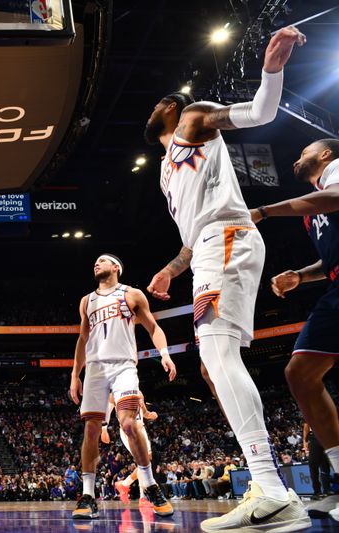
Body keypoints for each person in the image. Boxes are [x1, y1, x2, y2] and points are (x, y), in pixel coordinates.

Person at [143, 25, 310, 532]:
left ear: (174, 108)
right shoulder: (166, 173)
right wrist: (171, 269)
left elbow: (260, 112)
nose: (159, 102)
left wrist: (272, 69)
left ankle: (273, 489)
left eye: (164, 99)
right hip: (211, 250)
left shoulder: (194, 119)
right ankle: (269, 487)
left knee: (217, 355)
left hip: (229, 242)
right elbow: (192, 237)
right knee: (215, 362)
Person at [250, 138, 339, 522]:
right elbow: (330, 256)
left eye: (303, 153)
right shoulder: (316, 200)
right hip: (335, 287)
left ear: (325, 155)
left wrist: (265, 211)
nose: (295, 160)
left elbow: (333, 199)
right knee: (300, 373)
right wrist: (301, 276)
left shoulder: (335, 175)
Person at [70, 254, 176, 519]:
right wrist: (75, 374)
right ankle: (88, 495)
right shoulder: (87, 301)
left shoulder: (131, 294)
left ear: (116, 267)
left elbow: (153, 327)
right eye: (94, 261)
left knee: (129, 424)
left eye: (102, 261)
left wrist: (164, 353)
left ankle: (150, 485)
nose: (96, 263)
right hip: (95, 368)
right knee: (92, 429)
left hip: (124, 365)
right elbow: (83, 339)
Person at [102, 391, 158, 499]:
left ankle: (124, 484)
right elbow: (106, 413)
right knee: (143, 462)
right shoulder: (114, 394)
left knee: (147, 461)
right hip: (128, 430)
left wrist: (150, 415)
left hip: (141, 429)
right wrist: (104, 429)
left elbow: (144, 413)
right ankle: (143, 497)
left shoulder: (139, 392)